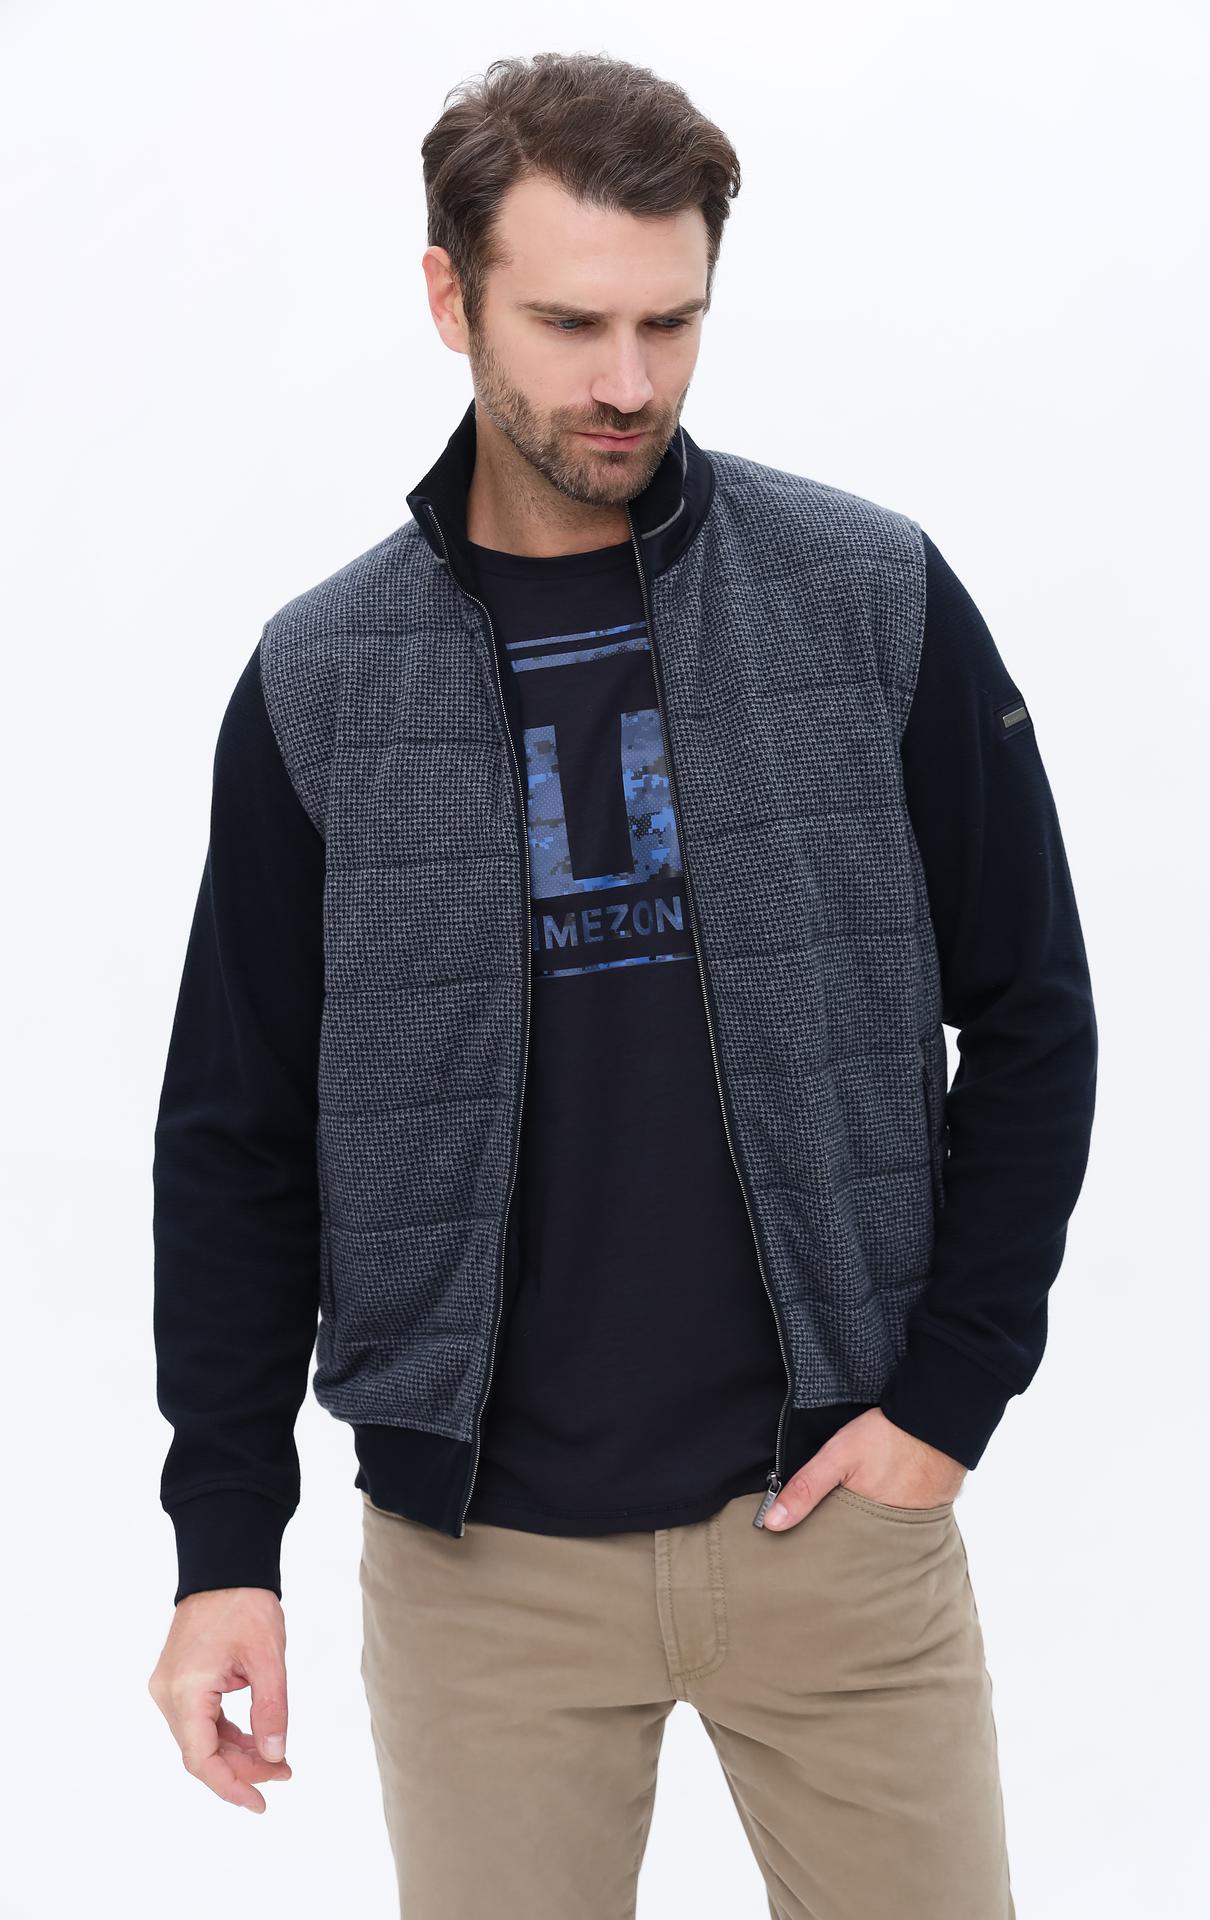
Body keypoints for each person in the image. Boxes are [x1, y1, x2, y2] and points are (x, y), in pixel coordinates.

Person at [147, 50, 1097, 1919]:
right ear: (451, 297)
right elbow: (235, 1138)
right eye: (572, 322)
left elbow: (1035, 1011)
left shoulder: (869, 597)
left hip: (837, 1526)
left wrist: (947, 1402)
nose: (629, 382)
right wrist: (222, 1546)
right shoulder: (320, 683)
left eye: (673, 322)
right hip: (482, 1571)